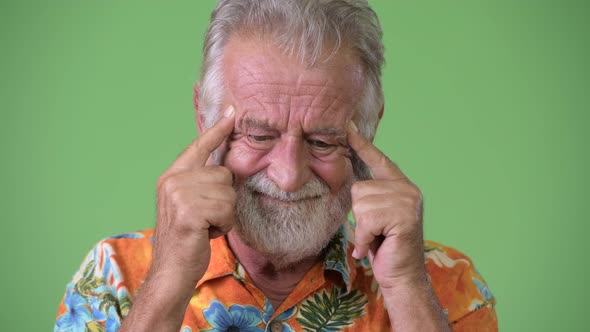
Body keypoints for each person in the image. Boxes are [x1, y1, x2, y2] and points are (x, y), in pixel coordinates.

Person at [54, 1, 497, 331]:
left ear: (370, 124)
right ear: (203, 116)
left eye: (324, 141)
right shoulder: (113, 271)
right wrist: (168, 280)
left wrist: (406, 290)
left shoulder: (442, 282)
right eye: (259, 135)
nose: (289, 175)